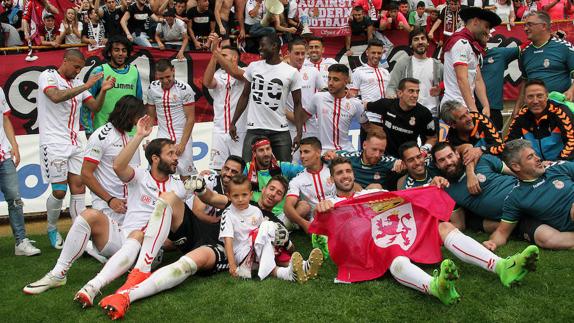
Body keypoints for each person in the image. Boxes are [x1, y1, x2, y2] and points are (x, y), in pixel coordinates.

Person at [316, 156, 540, 304]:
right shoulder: (330, 205)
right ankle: (435, 287)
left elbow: (402, 199)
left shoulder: (370, 193)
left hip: (401, 229)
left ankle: (501, 266)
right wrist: (324, 210)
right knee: (394, 252)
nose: (345, 176)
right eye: (339, 173)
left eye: (347, 171)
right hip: (377, 245)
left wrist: (430, 187)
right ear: (331, 178)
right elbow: (322, 236)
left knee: (443, 226)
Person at [97, 174, 322, 320]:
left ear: (282, 198)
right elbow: (212, 197)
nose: (273, 194)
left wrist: (289, 247)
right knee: (168, 198)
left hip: (221, 249)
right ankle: (141, 270)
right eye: (271, 188)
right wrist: (200, 187)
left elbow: (279, 252)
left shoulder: (273, 220)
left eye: (279, 193)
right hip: (199, 232)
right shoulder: (241, 199)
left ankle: (129, 294)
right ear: (263, 189)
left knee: (190, 262)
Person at [22, 97, 146, 302]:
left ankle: (92, 247)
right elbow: (86, 174)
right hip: (109, 212)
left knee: (148, 253)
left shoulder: (130, 135)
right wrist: (110, 199)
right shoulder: (102, 135)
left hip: (131, 213)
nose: (137, 122)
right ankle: (58, 273)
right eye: (136, 117)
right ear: (128, 115)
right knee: (89, 217)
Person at [37, 49, 115, 249]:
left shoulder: (79, 83)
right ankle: (52, 228)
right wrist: (87, 85)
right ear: (65, 61)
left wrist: (103, 90)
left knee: (79, 188)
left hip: (74, 143)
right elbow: (55, 96)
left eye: (81, 68)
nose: (78, 71)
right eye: (76, 67)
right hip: (53, 143)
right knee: (60, 191)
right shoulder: (48, 76)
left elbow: (95, 107)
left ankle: (79, 233)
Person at [485, 139, 574, 250]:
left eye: (535, 154)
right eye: (530, 157)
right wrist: (492, 242)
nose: (538, 159)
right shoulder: (515, 197)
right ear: (516, 166)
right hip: (568, 230)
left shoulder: (557, 168)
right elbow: (502, 232)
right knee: (547, 240)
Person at [229, 34, 305, 162]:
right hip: (254, 128)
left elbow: (298, 104)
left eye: (263, 45)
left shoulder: (291, 72)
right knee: (248, 169)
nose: (260, 49)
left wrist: (299, 132)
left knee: (284, 171)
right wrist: (233, 122)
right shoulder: (253, 66)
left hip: (279, 130)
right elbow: (244, 95)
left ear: (274, 46)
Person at [431, 141, 519, 232]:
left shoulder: (481, 160)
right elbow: (459, 225)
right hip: (511, 216)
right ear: (437, 165)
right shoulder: (447, 190)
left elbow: (517, 172)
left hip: (524, 194)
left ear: (457, 154)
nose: (448, 162)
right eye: (442, 160)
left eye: (450, 156)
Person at [0, 86, 40, 256]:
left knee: (15, 198)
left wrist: (14, 145)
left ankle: (21, 242)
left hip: (3, 153)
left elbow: (5, 119)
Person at [441, 6, 501, 116]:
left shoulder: (471, 45)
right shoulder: (461, 43)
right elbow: (461, 78)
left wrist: (486, 105)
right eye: (486, 27)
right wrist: (473, 111)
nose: (488, 32)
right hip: (455, 107)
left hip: (465, 107)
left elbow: (477, 79)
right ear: (476, 22)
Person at [81, 35, 142, 137]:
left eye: (124, 50)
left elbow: (139, 102)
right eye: (116, 50)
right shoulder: (99, 71)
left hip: (130, 134)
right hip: (103, 133)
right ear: (109, 52)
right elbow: (86, 104)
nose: (120, 54)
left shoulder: (134, 71)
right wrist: (88, 130)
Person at [515, 11, 574, 114]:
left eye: (529, 24)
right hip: (534, 111)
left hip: (560, 109)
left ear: (543, 26)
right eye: (524, 25)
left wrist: (571, 91)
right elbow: (525, 82)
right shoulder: (525, 52)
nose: (525, 28)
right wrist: (517, 107)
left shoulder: (564, 47)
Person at [146, 59, 196, 180]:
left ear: (173, 70)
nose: (165, 81)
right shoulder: (152, 88)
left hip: (182, 135)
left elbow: (191, 118)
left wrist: (183, 144)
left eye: (168, 76)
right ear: (157, 75)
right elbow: (151, 117)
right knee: (159, 173)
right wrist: (147, 139)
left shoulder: (184, 89)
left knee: (186, 175)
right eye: (161, 78)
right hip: (162, 135)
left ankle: (188, 199)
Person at [203, 36, 247, 171]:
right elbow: (207, 83)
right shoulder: (217, 74)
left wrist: (216, 52)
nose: (220, 57)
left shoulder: (246, 72)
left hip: (240, 130)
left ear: (235, 58)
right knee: (217, 170)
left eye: (224, 55)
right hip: (219, 129)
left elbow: (237, 74)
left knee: (240, 169)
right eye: (220, 55)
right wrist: (213, 56)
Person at [365, 78, 437, 158]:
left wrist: (423, 150)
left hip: (408, 159)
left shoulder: (424, 113)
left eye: (417, 91)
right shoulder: (387, 104)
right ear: (400, 93)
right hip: (385, 158)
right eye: (411, 91)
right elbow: (364, 106)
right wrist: (364, 122)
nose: (415, 95)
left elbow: (432, 138)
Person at [506, 79, 574, 161]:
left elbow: (571, 142)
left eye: (539, 96)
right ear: (524, 99)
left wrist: (555, 164)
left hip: (565, 162)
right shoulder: (521, 115)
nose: (535, 101)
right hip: (537, 165)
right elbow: (509, 144)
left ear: (546, 96)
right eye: (530, 96)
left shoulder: (560, 112)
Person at [305, 64, 366, 152]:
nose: (330, 83)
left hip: (346, 152)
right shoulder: (318, 97)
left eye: (335, 79)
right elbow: (301, 118)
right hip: (323, 152)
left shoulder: (355, 103)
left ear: (346, 81)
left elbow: (368, 128)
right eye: (329, 78)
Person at [284, 137, 336, 233]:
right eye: (301, 152)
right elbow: (287, 206)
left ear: (318, 153)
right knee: (303, 206)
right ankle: (286, 226)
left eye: (306, 152)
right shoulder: (297, 180)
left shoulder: (333, 169)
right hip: (315, 219)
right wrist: (304, 223)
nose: (302, 156)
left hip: (338, 213)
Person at [387, 27, 443, 117]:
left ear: (428, 43)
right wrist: (391, 96)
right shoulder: (402, 64)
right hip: (407, 115)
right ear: (410, 45)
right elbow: (391, 87)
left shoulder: (438, 65)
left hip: (432, 115)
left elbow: (448, 87)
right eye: (416, 39)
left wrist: (441, 89)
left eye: (423, 38)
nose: (420, 42)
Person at [323, 129, 404, 190]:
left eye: (381, 151)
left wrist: (402, 165)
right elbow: (326, 157)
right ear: (364, 145)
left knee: (375, 187)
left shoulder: (388, 161)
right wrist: (326, 155)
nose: (377, 155)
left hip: (375, 203)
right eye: (374, 149)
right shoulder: (349, 157)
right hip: (351, 196)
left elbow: (409, 164)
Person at [244, 136, 304, 215]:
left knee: (304, 206)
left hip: (281, 216)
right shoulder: (248, 169)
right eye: (261, 150)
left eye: (268, 149)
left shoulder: (282, 167)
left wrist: (323, 159)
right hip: (256, 214)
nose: (266, 153)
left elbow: (307, 169)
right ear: (254, 153)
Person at [285, 38, 325, 146]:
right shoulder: (281, 73)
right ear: (288, 53)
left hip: (311, 127)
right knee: (291, 162)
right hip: (289, 129)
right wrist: (294, 117)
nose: (300, 57)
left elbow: (325, 93)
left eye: (303, 53)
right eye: (297, 53)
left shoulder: (313, 71)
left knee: (312, 161)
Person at [350, 39, 390, 143]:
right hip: (370, 120)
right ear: (367, 53)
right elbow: (353, 96)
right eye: (373, 52)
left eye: (379, 53)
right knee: (369, 153)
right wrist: (362, 117)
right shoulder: (358, 72)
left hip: (387, 119)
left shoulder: (386, 72)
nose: (376, 56)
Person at [478, 45, 520, 129]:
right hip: (468, 109)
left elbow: (524, 47)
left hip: (493, 110)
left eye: (487, 32)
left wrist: (551, 34)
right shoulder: (465, 53)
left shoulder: (499, 53)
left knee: (495, 141)